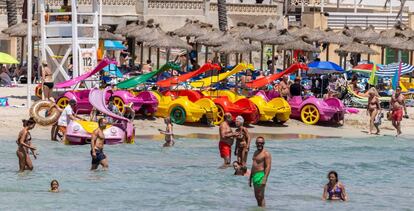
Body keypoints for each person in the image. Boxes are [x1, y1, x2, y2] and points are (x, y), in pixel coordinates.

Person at [249, 137, 271, 207]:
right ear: (256, 143)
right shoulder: (255, 152)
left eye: (261, 143)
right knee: (257, 196)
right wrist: (250, 178)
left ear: (264, 143)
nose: (260, 144)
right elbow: (253, 165)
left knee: (260, 196)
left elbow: (268, 166)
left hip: (261, 175)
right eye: (258, 143)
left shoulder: (266, 153)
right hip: (254, 175)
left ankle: (263, 208)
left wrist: (265, 178)